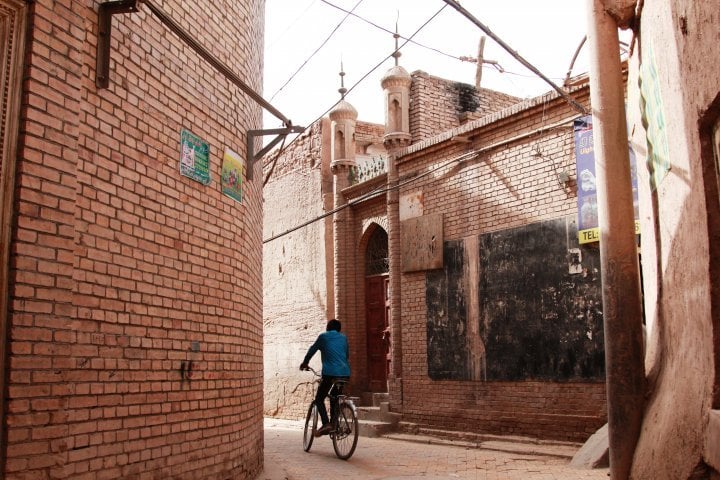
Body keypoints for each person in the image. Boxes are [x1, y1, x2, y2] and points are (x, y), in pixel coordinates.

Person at [300, 319, 350, 436]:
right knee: (334, 397)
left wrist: (305, 363)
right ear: (339, 329)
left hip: (330, 373)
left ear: (328, 327)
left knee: (319, 399)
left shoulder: (323, 337)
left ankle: (327, 424)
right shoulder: (343, 338)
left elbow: (311, 351)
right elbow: (346, 355)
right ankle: (335, 425)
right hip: (345, 373)